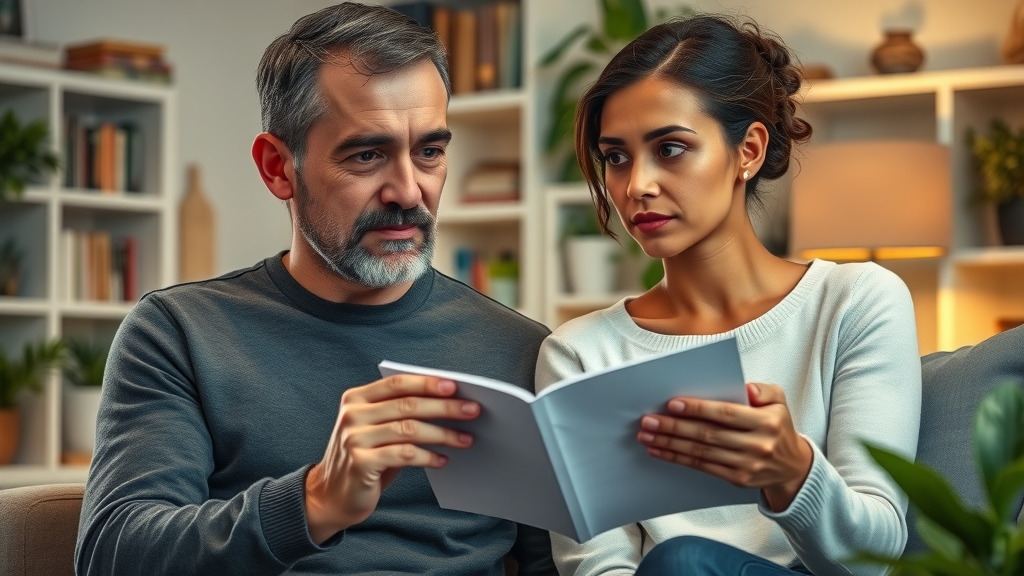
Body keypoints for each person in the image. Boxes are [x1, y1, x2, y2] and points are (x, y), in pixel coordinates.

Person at [75, 3, 556, 575]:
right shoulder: (180, 334)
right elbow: (113, 554)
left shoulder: (520, 350)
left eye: (429, 151)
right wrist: (316, 500)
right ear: (279, 167)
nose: (408, 190)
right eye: (367, 154)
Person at [535, 14, 921, 576]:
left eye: (669, 148)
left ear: (749, 151)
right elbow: (597, 566)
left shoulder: (856, 302)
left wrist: (793, 474)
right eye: (615, 156)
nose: (636, 184)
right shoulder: (580, 354)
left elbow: (873, 560)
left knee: (683, 559)